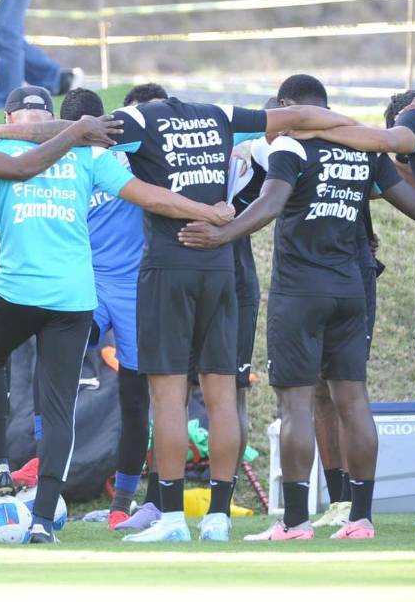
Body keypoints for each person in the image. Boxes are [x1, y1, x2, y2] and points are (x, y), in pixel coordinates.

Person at [0, 88, 234, 544]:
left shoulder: (10, 153)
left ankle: (0, 465)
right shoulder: (79, 155)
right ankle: (40, 519)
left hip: (20, 293)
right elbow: (152, 197)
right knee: (58, 408)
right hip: (72, 298)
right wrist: (210, 210)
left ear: (19, 117)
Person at [178, 75, 415, 541]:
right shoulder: (365, 148)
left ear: (292, 107)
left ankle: (294, 522)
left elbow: (270, 205)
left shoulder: (291, 146)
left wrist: (220, 235)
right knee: (353, 400)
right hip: (351, 290)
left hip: (300, 292)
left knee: (295, 404)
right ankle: (362, 519)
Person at [107, 90, 358, 543]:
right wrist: (355, 129)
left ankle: (170, 518)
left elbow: (85, 135)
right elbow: (299, 114)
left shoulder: (137, 120)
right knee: (222, 393)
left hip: (169, 261)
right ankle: (218, 516)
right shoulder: (220, 114)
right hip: (222, 265)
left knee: (168, 398)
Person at [58, 88, 151, 532]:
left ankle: (124, 503)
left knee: (135, 397)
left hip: (134, 288)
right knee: (56, 374)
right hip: (84, 284)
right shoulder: (53, 164)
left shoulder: (132, 159)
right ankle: (42, 481)